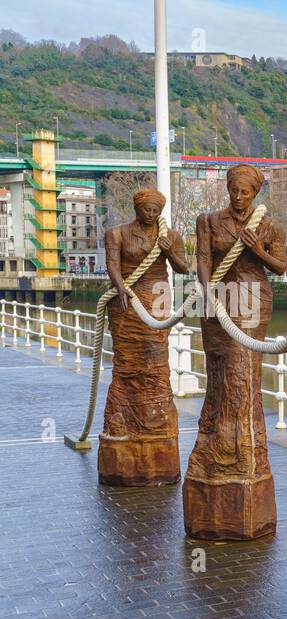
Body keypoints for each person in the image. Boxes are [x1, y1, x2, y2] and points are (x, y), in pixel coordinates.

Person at [184, 164, 286, 539]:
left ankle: (242, 456)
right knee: (219, 374)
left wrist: (256, 249)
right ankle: (213, 450)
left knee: (242, 375)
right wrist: (207, 288)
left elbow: (280, 267)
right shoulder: (208, 221)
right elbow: (203, 259)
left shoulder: (269, 226)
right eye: (234, 190)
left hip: (253, 300)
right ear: (228, 189)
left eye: (245, 191)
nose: (238, 197)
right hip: (218, 300)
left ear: (255, 192)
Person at [98, 188, 190, 486]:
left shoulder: (170, 235)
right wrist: (121, 286)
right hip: (126, 300)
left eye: (155, 210)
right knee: (127, 363)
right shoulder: (117, 233)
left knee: (154, 359)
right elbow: (112, 263)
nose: (151, 215)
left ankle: (154, 419)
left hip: (157, 297)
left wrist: (169, 251)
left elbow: (183, 267)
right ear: (137, 208)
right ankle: (123, 418)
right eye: (147, 210)